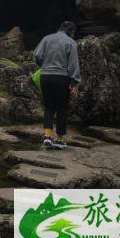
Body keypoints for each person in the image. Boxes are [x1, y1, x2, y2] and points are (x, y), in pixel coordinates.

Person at [33, 21, 80, 149]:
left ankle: (47, 137)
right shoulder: (71, 42)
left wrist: (43, 65)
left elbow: (37, 55)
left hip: (46, 76)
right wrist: (74, 83)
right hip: (62, 78)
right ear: (71, 31)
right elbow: (73, 64)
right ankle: (59, 140)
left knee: (49, 107)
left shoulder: (47, 38)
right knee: (62, 109)